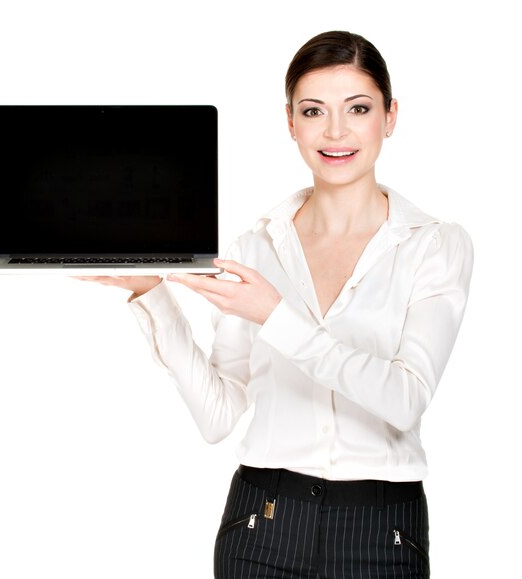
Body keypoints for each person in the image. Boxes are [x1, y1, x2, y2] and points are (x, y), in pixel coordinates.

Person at [79, 30, 473, 579]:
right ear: (291, 122)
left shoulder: (434, 243)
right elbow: (219, 416)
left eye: (358, 108)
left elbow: (405, 399)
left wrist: (274, 316)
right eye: (314, 111)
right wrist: (151, 292)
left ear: (390, 116)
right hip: (260, 524)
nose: (336, 131)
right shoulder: (255, 247)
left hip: (382, 530)